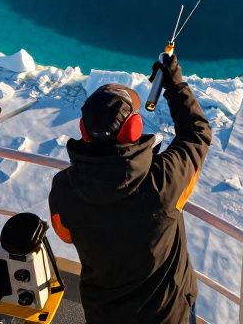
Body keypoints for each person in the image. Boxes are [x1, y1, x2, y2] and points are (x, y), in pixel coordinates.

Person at [49, 53, 212, 324]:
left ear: (83, 130)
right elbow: (197, 133)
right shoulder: (162, 182)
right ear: (134, 129)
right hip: (167, 315)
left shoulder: (64, 188)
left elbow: (65, 235)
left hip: (104, 315)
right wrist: (174, 84)